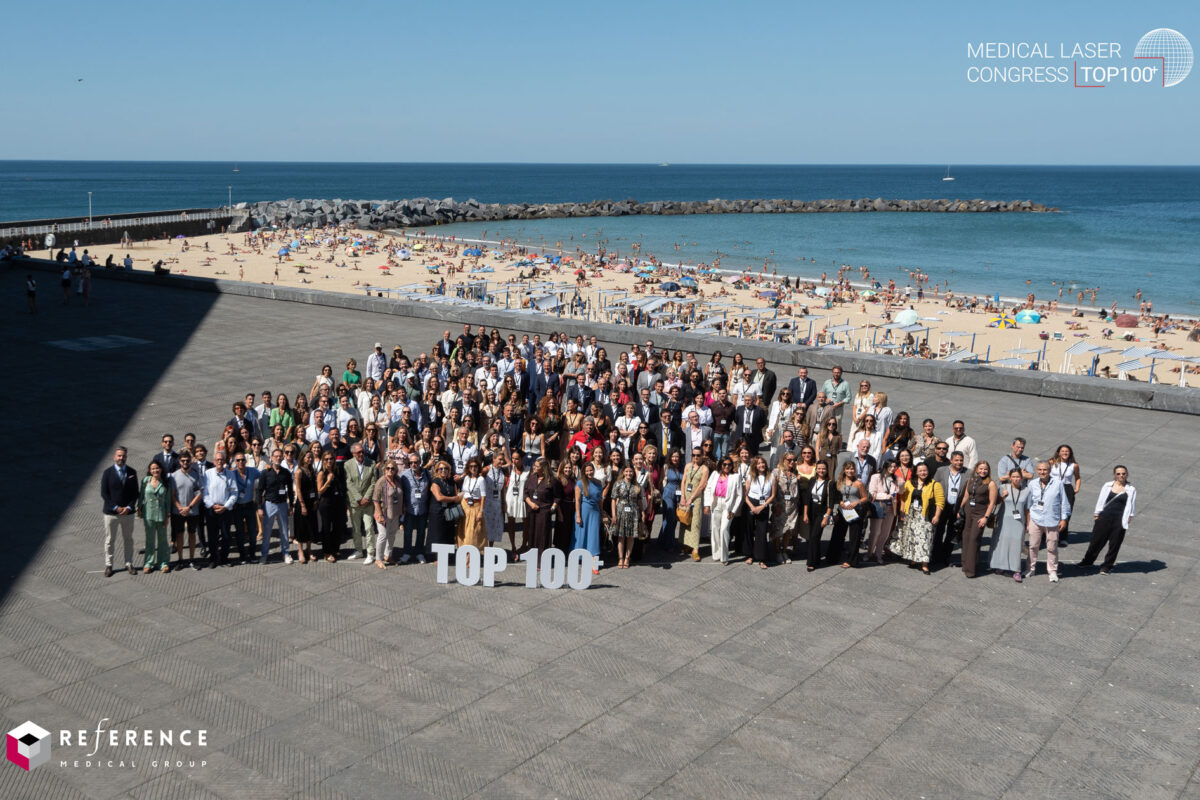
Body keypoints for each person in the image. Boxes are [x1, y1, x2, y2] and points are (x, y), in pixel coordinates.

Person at [1079, 465, 1136, 575]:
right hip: (1104, 517)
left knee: (1115, 544)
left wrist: (1130, 516)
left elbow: (1132, 504)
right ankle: (1087, 561)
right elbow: (1101, 499)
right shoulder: (1107, 485)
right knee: (1096, 541)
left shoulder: (1131, 489)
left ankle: (1107, 566)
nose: (1121, 475)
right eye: (1118, 473)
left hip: (1119, 519)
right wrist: (1097, 513)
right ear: (1114, 475)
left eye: (1123, 473)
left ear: (1127, 474)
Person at [889, 462, 944, 574]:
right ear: (916, 472)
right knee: (912, 537)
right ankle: (913, 560)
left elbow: (940, 502)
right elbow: (904, 498)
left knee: (925, 539)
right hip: (911, 514)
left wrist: (937, 516)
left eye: (925, 470)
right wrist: (902, 512)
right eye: (920, 470)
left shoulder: (935, 484)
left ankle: (924, 564)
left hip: (925, 515)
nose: (923, 472)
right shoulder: (909, 483)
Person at [1023, 461, 1072, 583]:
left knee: (1052, 547)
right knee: (1033, 546)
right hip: (1036, 519)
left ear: (1049, 471)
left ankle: (1052, 571)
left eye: (1044, 470)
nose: (1042, 472)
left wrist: (1064, 519)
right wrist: (1028, 522)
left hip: (1052, 520)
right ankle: (1030, 568)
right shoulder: (1033, 484)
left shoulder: (1058, 483)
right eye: (1039, 470)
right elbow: (1028, 505)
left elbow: (1064, 502)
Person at [100, 447, 140, 577]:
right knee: (110, 540)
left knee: (128, 539)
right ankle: (109, 565)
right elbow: (104, 494)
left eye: (123, 456)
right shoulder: (107, 473)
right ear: (114, 457)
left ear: (126, 457)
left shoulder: (132, 472)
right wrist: (116, 507)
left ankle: (129, 563)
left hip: (128, 514)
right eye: (119, 456)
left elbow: (135, 493)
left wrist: (128, 507)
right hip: (111, 513)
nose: (121, 458)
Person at [958, 461, 998, 578]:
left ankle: (971, 570)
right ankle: (965, 565)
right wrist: (960, 510)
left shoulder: (991, 484)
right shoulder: (971, 481)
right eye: (980, 469)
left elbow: (992, 503)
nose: (983, 471)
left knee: (974, 540)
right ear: (976, 469)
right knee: (966, 537)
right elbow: (966, 496)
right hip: (968, 511)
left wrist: (985, 517)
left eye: (985, 469)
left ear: (988, 471)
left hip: (980, 514)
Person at [256, 447, 293, 565]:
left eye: (279, 456)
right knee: (267, 532)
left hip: (282, 504)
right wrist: (259, 507)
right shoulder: (265, 473)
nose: (278, 458)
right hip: (269, 504)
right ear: (271, 458)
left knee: (284, 531)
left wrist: (290, 505)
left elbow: (290, 491)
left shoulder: (286, 473)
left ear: (282, 458)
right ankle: (264, 554)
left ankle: (286, 553)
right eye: (275, 456)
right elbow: (259, 490)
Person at [989, 468, 1027, 581]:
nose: (1016, 479)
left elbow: (1027, 509)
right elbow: (995, 502)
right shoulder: (1003, 488)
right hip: (1003, 519)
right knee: (1002, 543)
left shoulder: (1027, 490)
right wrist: (1002, 497)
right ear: (1010, 478)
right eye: (1013, 477)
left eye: (1018, 477)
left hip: (1018, 521)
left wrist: (1028, 524)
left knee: (1016, 544)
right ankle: (1001, 566)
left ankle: (1017, 570)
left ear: (1021, 478)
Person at [704, 456, 743, 565]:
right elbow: (708, 489)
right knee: (715, 529)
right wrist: (707, 505)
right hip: (716, 503)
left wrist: (733, 510)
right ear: (721, 465)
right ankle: (716, 553)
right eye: (724, 464)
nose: (727, 467)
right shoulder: (715, 474)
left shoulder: (736, 477)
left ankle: (724, 556)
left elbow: (739, 495)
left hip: (728, 506)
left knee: (724, 529)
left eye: (729, 465)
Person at [829, 462, 868, 568]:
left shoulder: (859, 483)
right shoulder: (840, 482)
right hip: (843, 511)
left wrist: (856, 502)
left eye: (852, 469)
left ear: (855, 470)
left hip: (855, 512)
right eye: (847, 469)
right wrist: (840, 502)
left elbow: (865, 498)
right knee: (838, 534)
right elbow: (838, 496)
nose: (850, 471)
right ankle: (833, 557)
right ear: (844, 470)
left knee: (854, 537)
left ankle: (851, 560)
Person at [932, 450, 967, 569]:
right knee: (938, 531)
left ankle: (945, 557)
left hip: (957, 507)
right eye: (956, 460)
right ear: (951, 460)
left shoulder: (968, 473)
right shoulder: (941, 471)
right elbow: (934, 486)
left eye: (961, 460)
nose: (959, 462)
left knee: (952, 533)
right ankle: (935, 556)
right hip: (943, 505)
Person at [169, 450, 204, 570]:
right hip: (177, 511)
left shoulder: (196, 475)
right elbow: (172, 495)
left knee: (192, 534)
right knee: (179, 534)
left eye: (187, 460)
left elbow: (199, 493)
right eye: (183, 461)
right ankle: (180, 559)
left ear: (190, 461)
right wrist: (180, 508)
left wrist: (189, 507)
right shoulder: (174, 476)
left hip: (192, 511)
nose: (185, 462)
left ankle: (192, 559)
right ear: (179, 462)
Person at [203, 452, 238, 568]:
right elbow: (204, 493)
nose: (219, 461)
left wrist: (225, 506)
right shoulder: (207, 474)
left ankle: (224, 558)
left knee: (226, 535)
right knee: (212, 536)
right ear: (214, 461)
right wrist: (212, 505)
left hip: (225, 510)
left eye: (221, 459)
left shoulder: (230, 474)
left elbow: (234, 492)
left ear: (224, 461)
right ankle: (213, 558)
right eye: (217, 459)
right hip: (212, 509)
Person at [344, 444, 378, 562]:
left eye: (362, 452)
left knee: (369, 528)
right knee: (356, 529)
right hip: (355, 503)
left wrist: (366, 498)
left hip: (368, 503)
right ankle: (358, 550)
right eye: (358, 452)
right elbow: (349, 483)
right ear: (353, 453)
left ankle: (370, 552)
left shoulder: (371, 463)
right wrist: (359, 498)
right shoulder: (347, 465)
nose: (361, 454)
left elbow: (374, 483)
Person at [139, 460, 173, 574]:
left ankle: (163, 563)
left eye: (157, 468)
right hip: (148, 515)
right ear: (150, 470)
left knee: (163, 540)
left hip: (161, 515)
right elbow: (141, 496)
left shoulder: (166, 483)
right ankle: (148, 563)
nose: (155, 470)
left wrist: (167, 516)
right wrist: (139, 508)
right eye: (153, 468)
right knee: (150, 540)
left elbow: (168, 501)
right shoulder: (145, 481)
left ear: (161, 469)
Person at [372, 458, 404, 568]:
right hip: (383, 513)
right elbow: (375, 500)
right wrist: (380, 514)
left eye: (393, 468)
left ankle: (388, 555)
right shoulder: (381, 481)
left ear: (395, 470)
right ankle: (378, 559)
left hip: (395, 513)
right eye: (388, 468)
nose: (390, 470)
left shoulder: (398, 480)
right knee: (383, 535)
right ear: (384, 469)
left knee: (391, 535)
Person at [744, 456, 775, 569]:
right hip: (751, 504)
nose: (761, 465)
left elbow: (772, 495)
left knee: (761, 532)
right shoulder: (751, 477)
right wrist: (752, 506)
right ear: (755, 466)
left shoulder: (771, 477)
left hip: (764, 505)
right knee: (749, 530)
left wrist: (763, 506)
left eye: (763, 463)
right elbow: (745, 495)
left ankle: (761, 558)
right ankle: (749, 555)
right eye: (759, 463)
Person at [1048, 444, 1081, 548]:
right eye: (1062, 451)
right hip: (1054, 487)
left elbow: (1078, 477)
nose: (1065, 453)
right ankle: (1048, 534)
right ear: (1058, 452)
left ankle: (1063, 537)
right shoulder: (1052, 462)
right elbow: (1045, 474)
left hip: (1067, 488)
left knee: (1066, 512)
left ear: (1070, 453)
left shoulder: (1073, 465)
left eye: (1067, 451)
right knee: (1052, 510)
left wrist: (1076, 488)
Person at [866, 461, 900, 565]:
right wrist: (886, 496)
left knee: (885, 534)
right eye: (890, 466)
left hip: (890, 508)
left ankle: (878, 554)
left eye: (895, 466)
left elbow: (900, 489)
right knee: (875, 532)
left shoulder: (895, 479)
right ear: (885, 466)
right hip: (879, 506)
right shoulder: (876, 477)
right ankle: (869, 553)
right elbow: (872, 493)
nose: (892, 468)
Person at [398, 457, 431, 563]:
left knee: (421, 532)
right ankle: (407, 553)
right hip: (409, 508)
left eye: (415, 462)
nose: (413, 464)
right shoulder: (404, 475)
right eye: (410, 462)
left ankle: (419, 553)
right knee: (408, 532)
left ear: (420, 462)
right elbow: (399, 490)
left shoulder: (426, 473)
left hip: (422, 508)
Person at [679, 447, 709, 561]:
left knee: (695, 522)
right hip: (685, 496)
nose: (695, 457)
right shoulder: (688, 465)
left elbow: (701, 485)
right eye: (694, 455)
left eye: (698, 455)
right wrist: (682, 496)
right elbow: (683, 481)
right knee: (685, 521)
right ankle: (687, 545)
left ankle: (695, 549)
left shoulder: (704, 469)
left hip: (696, 498)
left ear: (702, 456)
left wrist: (691, 498)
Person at [610, 465, 643, 569]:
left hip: (633, 512)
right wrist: (614, 514)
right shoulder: (618, 484)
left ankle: (627, 558)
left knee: (631, 536)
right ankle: (620, 558)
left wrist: (642, 513)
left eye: (631, 472)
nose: (629, 473)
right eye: (627, 471)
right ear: (623, 472)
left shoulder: (636, 485)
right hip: (620, 511)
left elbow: (639, 500)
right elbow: (613, 500)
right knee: (621, 536)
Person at [770, 453, 800, 564]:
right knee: (778, 530)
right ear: (783, 460)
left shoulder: (795, 473)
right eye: (789, 460)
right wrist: (775, 504)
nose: (792, 462)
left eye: (794, 460)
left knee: (788, 530)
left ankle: (784, 551)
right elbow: (771, 491)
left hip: (792, 507)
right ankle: (777, 552)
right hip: (780, 505)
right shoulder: (776, 472)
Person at [803, 461, 833, 571]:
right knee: (812, 535)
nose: (821, 471)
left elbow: (830, 503)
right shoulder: (812, 480)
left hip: (822, 511)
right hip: (811, 511)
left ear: (827, 470)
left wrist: (826, 517)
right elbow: (807, 498)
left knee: (814, 537)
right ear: (816, 470)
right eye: (819, 468)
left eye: (823, 469)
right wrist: (805, 513)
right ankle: (817, 558)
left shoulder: (830, 483)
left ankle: (811, 562)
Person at [428, 461, 461, 558]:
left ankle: (446, 556)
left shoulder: (451, 482)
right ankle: (437, 557)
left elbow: (456, 494)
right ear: (437, 470)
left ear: (449, 470)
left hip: (449, 512)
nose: (443, 471)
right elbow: (439, 497)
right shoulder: (435, 482)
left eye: (446, 468)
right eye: (440, 469)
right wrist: (453, 499)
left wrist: (457, 498)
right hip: (437, 512)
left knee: (448, 533)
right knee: (437, 535)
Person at [574, 461, 603, 570]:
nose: (589, 472)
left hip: (595, 512)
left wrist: (602, 512)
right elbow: (577, 500)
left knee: (593, 536)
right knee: (581, 535)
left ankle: (593, 560)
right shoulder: (580, 483)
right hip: (583, 511)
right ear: (584, 472)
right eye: (587, 471)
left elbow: (600, 500)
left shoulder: (598, 483)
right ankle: (579, 557)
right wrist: (578, 516)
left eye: (591, 470)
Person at [524, 457, 556, 553]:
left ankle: (541, 559)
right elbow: (525, 493)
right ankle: (532, 558)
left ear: (544, 468)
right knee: (532, 535)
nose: (534, 467)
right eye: (535, 465)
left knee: (542, 536)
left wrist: (553, 508)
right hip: (532, 512)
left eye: (537, 466)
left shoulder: (551, 480)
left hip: (544, 512)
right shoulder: (532, 478)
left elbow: (557, 497)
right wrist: (530, 503)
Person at [292, 449, 318, 563]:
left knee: (310, 527)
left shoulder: (312, 470)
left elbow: (314, 486)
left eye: (311, 457)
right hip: (302, 502)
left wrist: (316, 499)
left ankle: (309, 549)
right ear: (302, 458)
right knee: (301, 527)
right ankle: (300, 551)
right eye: (307, 457)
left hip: (311, 501)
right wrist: (302, 505)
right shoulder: (299, 472)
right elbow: (298, 489)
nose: (309, 459)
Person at [658, 449, 684, 551]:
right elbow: (661, 481)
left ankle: (661, 540)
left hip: (679, 493)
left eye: (677, 456)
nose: (675, 458)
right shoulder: (666, 467)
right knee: (670, 517)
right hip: (668, 493)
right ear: (670, 457)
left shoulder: (683, 467)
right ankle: (670, 544)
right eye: (673, 456)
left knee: (672, 519)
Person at [821, 366, 852, 433]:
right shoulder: (827, 382)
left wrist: (840, 403)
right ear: (832, 373)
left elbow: (848, 397)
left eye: (838, 372)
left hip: (838, 408)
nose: (836, 374)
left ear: (841, 373)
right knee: (825, 424)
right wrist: (826, 399)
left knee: (837, 426)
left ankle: (836, 441)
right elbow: (822, 393)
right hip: (827, 407)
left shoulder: (845, 384)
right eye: (835, 372)